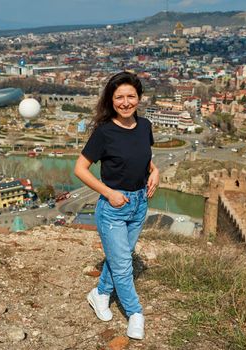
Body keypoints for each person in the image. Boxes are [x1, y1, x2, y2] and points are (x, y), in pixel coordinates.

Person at [74, 71, 159, 340]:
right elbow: (80, 169)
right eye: (119, 97)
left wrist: (155, 171)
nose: (125, 102)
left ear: (139, 98)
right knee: (123, 264)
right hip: (114, 206)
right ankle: (135, 313)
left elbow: (143, 158)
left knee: (118, 257)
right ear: (111, 100)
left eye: (130, 96)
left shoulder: (145, 126)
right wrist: (109, 193)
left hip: (139, 203)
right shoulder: (105, 132)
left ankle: (99, 294)